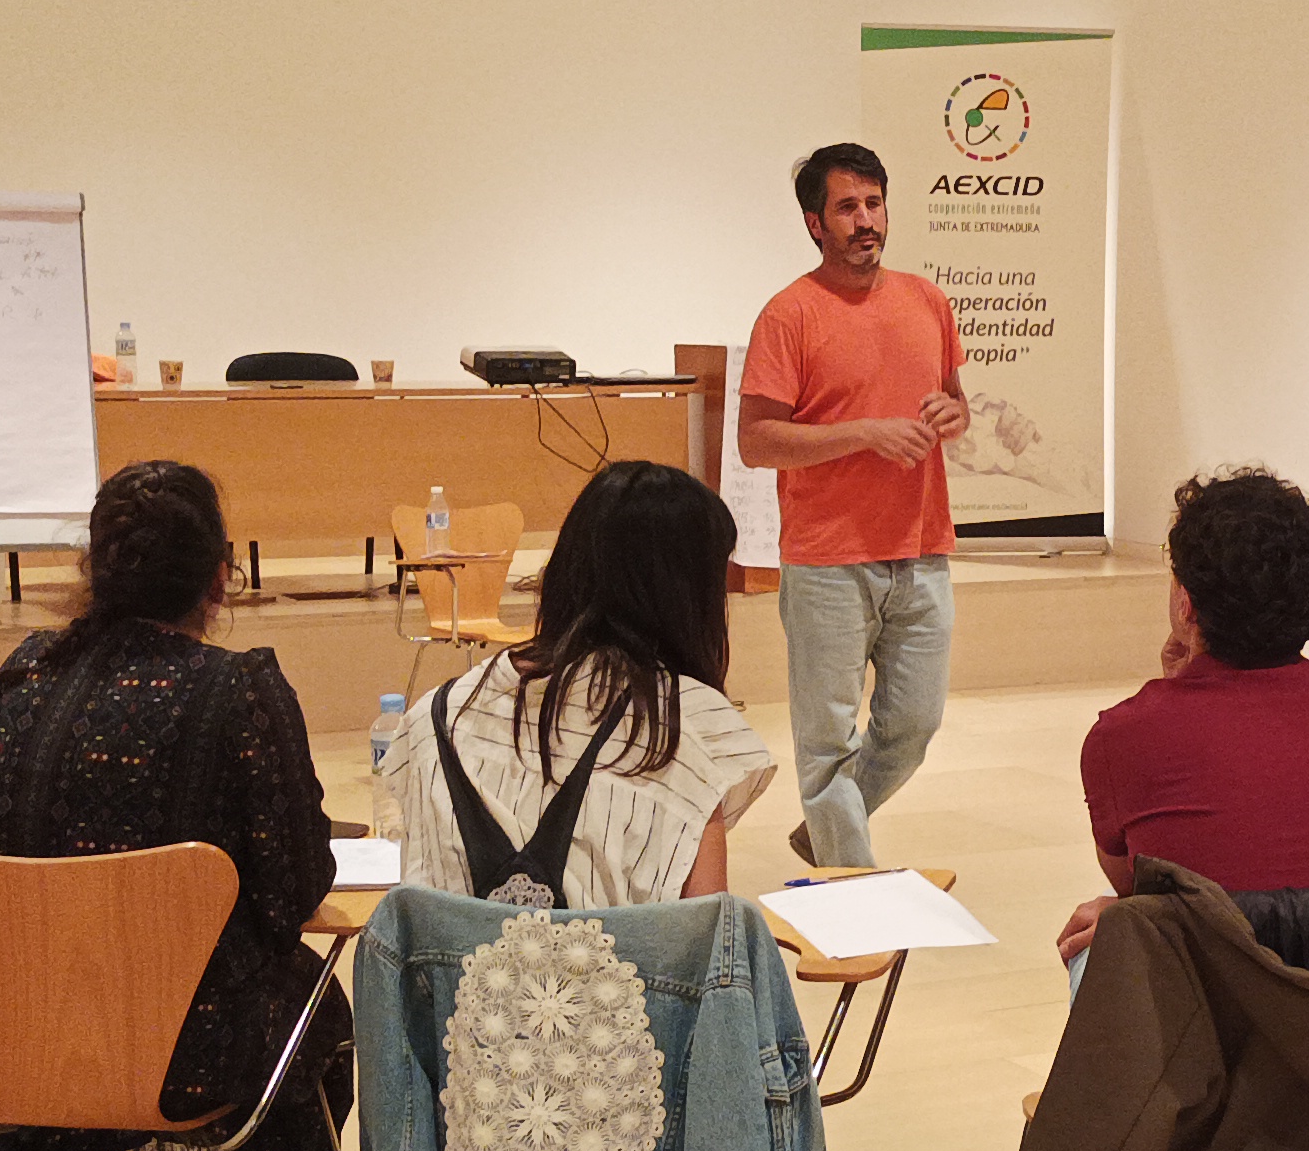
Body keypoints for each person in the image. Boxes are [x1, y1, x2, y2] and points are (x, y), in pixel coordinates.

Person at [0, 460, 357, 1151]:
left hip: (9, 1043)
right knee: (319, 1010)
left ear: (96, 568)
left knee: (62, 1007)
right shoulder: (237, 691)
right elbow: (292, 885)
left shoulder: (19, 675)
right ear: (220, 579)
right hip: (189, 1048)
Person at [387, 457, 780, 909]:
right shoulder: (691, 729)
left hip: (451, 980)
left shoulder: (434, 715)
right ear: (690, 596)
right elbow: (703, 944)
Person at [1060, 468, 1309, 966]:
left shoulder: (1124, 735)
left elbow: (1136, 885)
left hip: (1216, 1013)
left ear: (1187, 604)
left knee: (1098, 946)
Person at [738, 143, 965, 868]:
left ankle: (829, 827)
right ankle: (856, 886)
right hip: (828, 561)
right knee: (827, 742)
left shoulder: (927, 300)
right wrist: (861, 433)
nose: (865, 220)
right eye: (847, 207)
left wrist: (953, 416)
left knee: (915, 725)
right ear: (815, 222)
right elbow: (757, 441)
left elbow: (955, 405)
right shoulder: (789, 315)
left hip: (922, 548)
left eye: (873, 203)